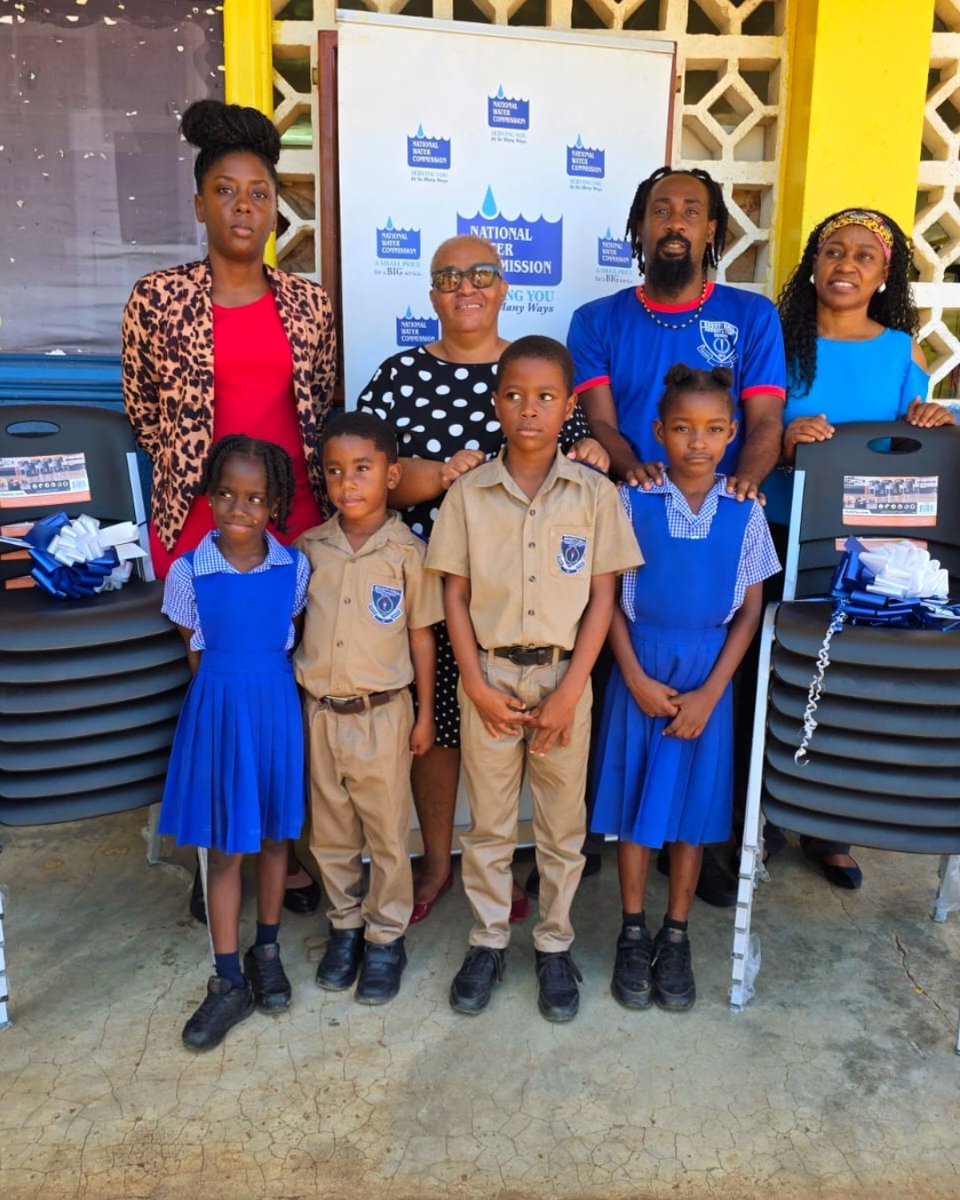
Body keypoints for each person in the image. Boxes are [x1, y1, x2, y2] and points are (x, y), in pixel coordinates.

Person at [122, 98, 336, 915]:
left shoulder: (309, 305)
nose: (244, 208)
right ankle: (217, 852)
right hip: (200, 526)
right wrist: (192, 490)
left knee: (284, 689)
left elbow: (319, 406)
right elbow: (144, 409)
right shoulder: (158, 298)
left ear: (275, 208)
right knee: (213, 693)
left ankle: (285, 850)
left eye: (258, 193)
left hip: (294, 526)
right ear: (199, 203)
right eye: (226, 191)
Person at [358, 235, 608, 923]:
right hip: (422, 585)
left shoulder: (531, 368)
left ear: (503, 288)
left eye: (481, 274)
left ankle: (504, 874)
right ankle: (440, 864)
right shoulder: (399, 375)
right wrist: (440, 476)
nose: (465, 286)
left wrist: (594, 447)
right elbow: (365, 472)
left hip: (515, 600)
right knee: (437, 727)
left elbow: (575, 456)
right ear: (431, 294)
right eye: (448, 277)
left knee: (514, 731)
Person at [566, 164, 787, 908]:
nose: (675, 222)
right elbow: (600, 422)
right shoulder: (598, 319)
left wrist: (741, 487)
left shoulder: (750, 316)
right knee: (616, 685)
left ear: (712, 229)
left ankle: (699, 845)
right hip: (630, 520)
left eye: (691, 210)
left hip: (718, 523)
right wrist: (636, 471)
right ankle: (597, 835)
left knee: (715, 695)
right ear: (639, 227)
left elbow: (763, 422)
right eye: (660, 209)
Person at [426, 336, 642, 1022]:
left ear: (569, 406)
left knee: (560, 826)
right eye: (515, 395)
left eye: (545, 397)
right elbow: (454, 595)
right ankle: (488, 941)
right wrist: (475, 684)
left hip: (563, 678)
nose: (529, 409)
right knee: (489, 825)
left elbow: (604, 597)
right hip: (489, 676)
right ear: (496, 403)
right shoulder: (468, 494)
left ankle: (554, 944)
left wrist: (573, 689)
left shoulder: (594, 494)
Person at [762, 206, 955, 888]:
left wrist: (931, 416)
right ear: (813, 265)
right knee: (777, 671)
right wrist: (785, 439)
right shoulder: (777, 340)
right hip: (782, 530)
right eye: (833, 251)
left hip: (872, 547)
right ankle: (762, 814)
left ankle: (831, 825)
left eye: (863, 255)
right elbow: (747, 429)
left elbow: (915, 442)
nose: (845, 264)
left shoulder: (901, 351)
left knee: (847, 676)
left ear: (883, 278)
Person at [592, 365, 780, 1013]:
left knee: (692, 817)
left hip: (708, 676)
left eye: (712, 429)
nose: (697, 442)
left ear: (732, 433)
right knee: (635, 811)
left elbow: (750, 614)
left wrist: (710, 695)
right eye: (681, 428)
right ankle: (632, 930)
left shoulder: (746, 511)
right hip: (640, 666)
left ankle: (675, 935)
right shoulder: (631, 500)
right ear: (658, 431)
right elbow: (607, 602)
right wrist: (633, 678)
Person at [159, 435, 310, 1050]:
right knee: (223, 849)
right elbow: (195, 652)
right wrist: (225, 701)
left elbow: (285, 633)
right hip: (220, 711)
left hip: (275, 708)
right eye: (225, 494)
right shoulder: (188, 571)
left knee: (275, 837)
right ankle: (227, 978)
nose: (238, 508)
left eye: (254, 497)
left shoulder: (293, 567)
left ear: (274, 504)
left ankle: (265, 950)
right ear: (210, 497)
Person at [294, 413, 444, 1005]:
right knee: (331, 833)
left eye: (362, 469)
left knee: (386, 834)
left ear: (392, 475)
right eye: (335, 471)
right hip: (320, 714)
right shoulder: (309, 550)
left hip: (383, 714)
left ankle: (385, 937)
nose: (348, 482)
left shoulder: (408, 553)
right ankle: (345, 927)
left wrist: (425, 714)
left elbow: (422, 638)